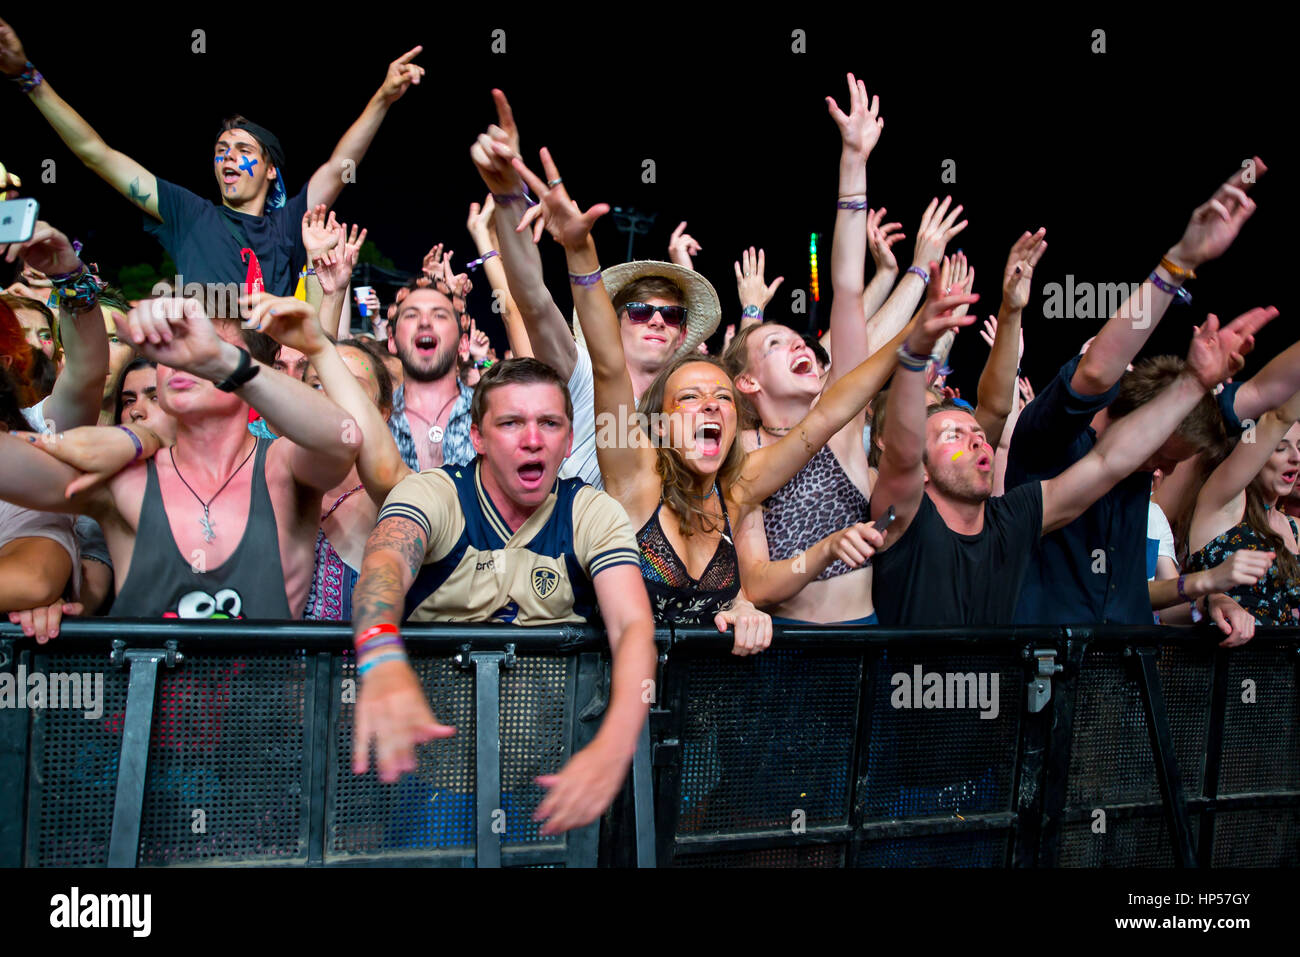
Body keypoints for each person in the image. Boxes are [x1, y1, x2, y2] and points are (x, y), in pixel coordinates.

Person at [515, 147, 926, 648]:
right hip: (610, 687)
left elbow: (833, 411)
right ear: (660, 424)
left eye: (722, 398)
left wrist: (914, 342)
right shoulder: (635, 474)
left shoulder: (737, 489)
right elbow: (605, 362)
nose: (711, 405)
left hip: (705, 705)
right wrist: (581, 255)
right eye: (689, 397)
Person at [869, 257, 1275, 637]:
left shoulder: (1012, 519)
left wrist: (1194, 383)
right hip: (917, 709)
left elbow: (1106, 462)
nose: (975, 437)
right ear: (916, 468)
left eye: (976, 432)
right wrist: (915, 352)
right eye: (951, 436)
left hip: (997, 710)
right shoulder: (904, 523)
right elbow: (905, 451)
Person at [349, 358, 655, 836]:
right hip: (433, 781)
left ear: (570, 440)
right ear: (477, 437)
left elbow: (633, 625)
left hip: (549, 781)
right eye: (511, 422)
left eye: (549, 423)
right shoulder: (435, 494)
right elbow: (384, 562)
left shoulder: (592, 512)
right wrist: (380, 652)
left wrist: (616, 743)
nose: (532, 439)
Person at [1006, 158, 1270, 630]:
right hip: (1045, 676)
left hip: (1127, 682)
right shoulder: (1052, 443)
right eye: (1166, 456)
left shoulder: (1134, 480)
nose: (1164, 472)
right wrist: (1181, 262)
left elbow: (1275, 392)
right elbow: (1094, 374)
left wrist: (1207, 599)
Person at [0, 17, 425, 297]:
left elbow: (338, 167)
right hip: (201, 387)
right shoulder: (188, 213)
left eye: (243, 150)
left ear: (271, 170)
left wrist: (383, 98)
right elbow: (97, 154)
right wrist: (28, 77)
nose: (228, 158)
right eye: (221, 150)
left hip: (269, 398)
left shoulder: (290, 224)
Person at [0, 296, 359, 618]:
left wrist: (223, 363)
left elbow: (342, 437)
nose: (184, 360)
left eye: (208, 347)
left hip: (265, 692)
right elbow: (11, 467)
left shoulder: (282, 465)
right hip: (143, 692)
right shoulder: (127, 475)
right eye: (169, 347)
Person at [467, 90, 721, 490]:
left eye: (672, 315)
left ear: (683, 336)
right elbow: (531, 301)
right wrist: (508, 195)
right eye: (639, 311)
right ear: (611, 323)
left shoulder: (690, 409)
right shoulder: (581, 373)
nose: (657, 319)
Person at [1186, 388, 1300, 626]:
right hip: (1233, 659)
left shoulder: (1294, 528)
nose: (1296, 457)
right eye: (1280, 447)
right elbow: (1276, 418)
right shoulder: (1222, 505)